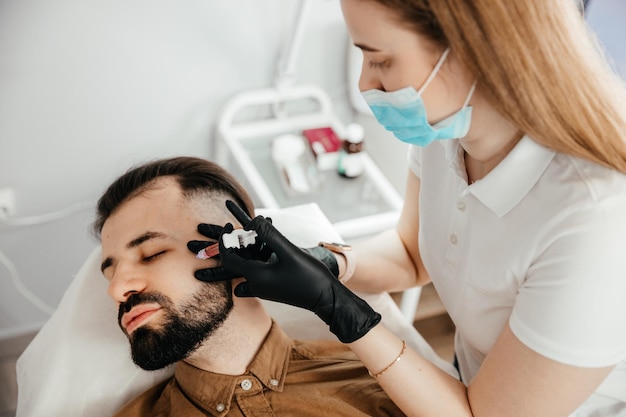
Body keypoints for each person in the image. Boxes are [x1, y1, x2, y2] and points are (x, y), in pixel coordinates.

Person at [196, 1, 626, 416]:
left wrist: (336, 307)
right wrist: (330, 262)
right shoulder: (448, 133)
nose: (365, 85)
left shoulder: (597, 221)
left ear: (474, 49)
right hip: (464, 384)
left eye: (380, 61)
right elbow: (410, 255)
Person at [93, 156, 405, 416]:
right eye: (111, 274)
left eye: (151, 254)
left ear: (235, 247)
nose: (117, 289)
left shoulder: (381, 383)